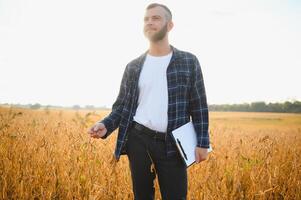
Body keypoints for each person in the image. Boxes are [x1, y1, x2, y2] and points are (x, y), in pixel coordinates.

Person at [88, 3, 210, 200]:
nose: (150, 22)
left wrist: (203, 142)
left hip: (173, 144)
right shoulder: (133, 66)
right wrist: (105, 124)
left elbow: (199, 105)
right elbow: (122, 107)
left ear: (169, 25)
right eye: (146, 19)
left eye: (156, 18)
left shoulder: (189, 61)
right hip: (139, 141)